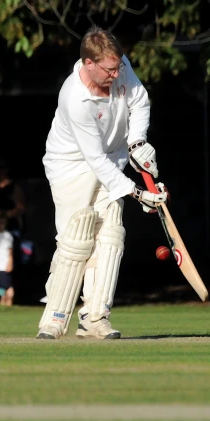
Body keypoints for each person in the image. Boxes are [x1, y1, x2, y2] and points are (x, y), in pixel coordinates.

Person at [36, 26, 167, 341]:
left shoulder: (119, 67)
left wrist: (136, 143)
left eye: (118, 67)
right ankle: (54, 319)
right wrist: (138, 193)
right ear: (88, 64)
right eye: (109, 69)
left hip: (113, 157)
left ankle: (95, 318)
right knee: (77, 237)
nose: (116, 73)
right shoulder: (75, 98)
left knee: (110, 234)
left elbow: (140, 101)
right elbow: (94, 160)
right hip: (71, 165)